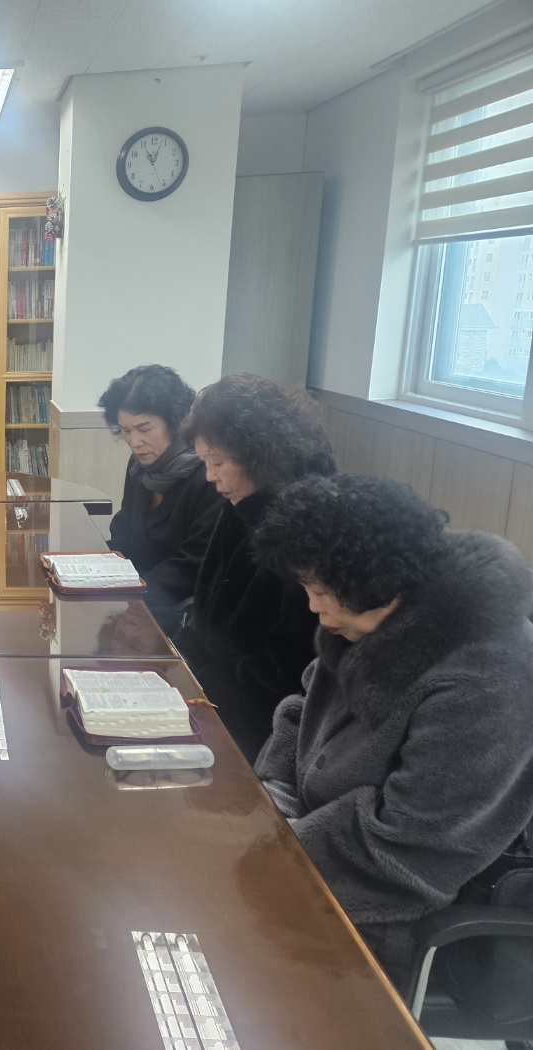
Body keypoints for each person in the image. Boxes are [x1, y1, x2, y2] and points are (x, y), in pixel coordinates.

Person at [251, 474, 533, 983]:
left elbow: (417, 844)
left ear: (371, 579)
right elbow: (302, 709)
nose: (313, 606)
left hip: (395, 906)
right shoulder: (371, 615)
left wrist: (279, 853)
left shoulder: (489, 677)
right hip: (319, 849)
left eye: (321, 590)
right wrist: (274, 799)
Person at [173, 373, 336, 761]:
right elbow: (208, 604)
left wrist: (202, 691)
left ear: (258, 453)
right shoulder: (247, 494)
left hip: (260, 721)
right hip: (212, 689)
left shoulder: (311, 517)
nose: (210, 476)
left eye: (218, 462)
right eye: (205, 463)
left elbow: (289, 665)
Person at [97, 364, 223, 634]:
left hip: (179, 613)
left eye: (144, 428)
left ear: (175, 422)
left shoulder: (209, 476)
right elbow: (125, 528)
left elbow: (194, 564)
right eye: (125, 430)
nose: (134, 442)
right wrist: (96, 567)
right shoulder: (140, 465)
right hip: (138, 600)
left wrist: (134, 591)